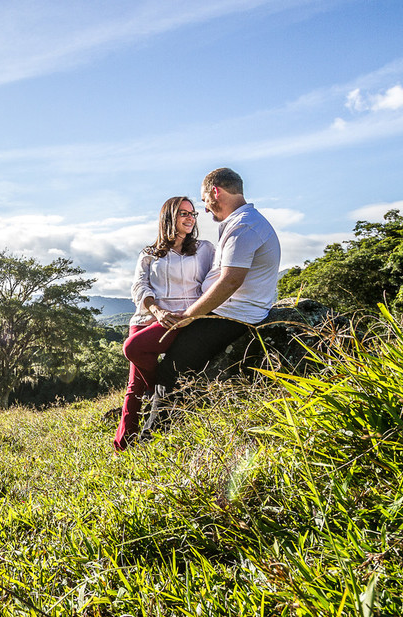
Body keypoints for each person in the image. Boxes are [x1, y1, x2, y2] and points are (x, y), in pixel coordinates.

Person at [144, 167, 281, 429]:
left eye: (205, 200)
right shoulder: (241, 222)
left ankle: (155, 436)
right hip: (231, 311)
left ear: (215, 192)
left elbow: (231, 280)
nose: (205, 209)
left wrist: (188, 316)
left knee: (172, 369)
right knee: (162, 357)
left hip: (233, 315)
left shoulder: (244, 227)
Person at [113, 196, 214, 452]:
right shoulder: (149, 253)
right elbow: (139, 286)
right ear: (168, 217)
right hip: (147, 315)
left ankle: (156, 389)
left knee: (132, 349)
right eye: (183, 213)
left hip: (181, 317)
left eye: (193, 214)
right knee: (134, 384)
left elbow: (214, 281)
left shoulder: (204, 249)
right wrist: (155, 310)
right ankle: (124, 444)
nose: (190, 218)